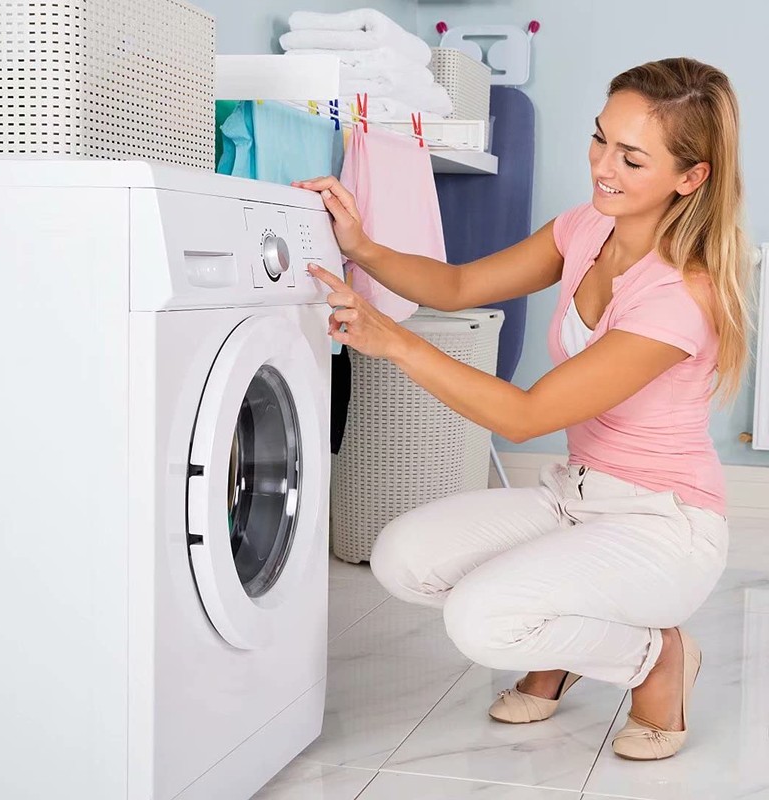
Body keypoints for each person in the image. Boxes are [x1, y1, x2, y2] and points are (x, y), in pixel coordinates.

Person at [292, 57, 753, 761]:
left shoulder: (679, 297)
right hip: (573, 496)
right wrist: (363, 247)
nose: (602, 166)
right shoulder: (586, 229)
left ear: (690, 178)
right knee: (402, 559)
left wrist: (394, 342)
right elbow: (457, 285)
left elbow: (525, 417)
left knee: (480, 620)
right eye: (600, 138)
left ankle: (656, 658)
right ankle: (566, 645)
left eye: (631, 158)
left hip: (662, 525)